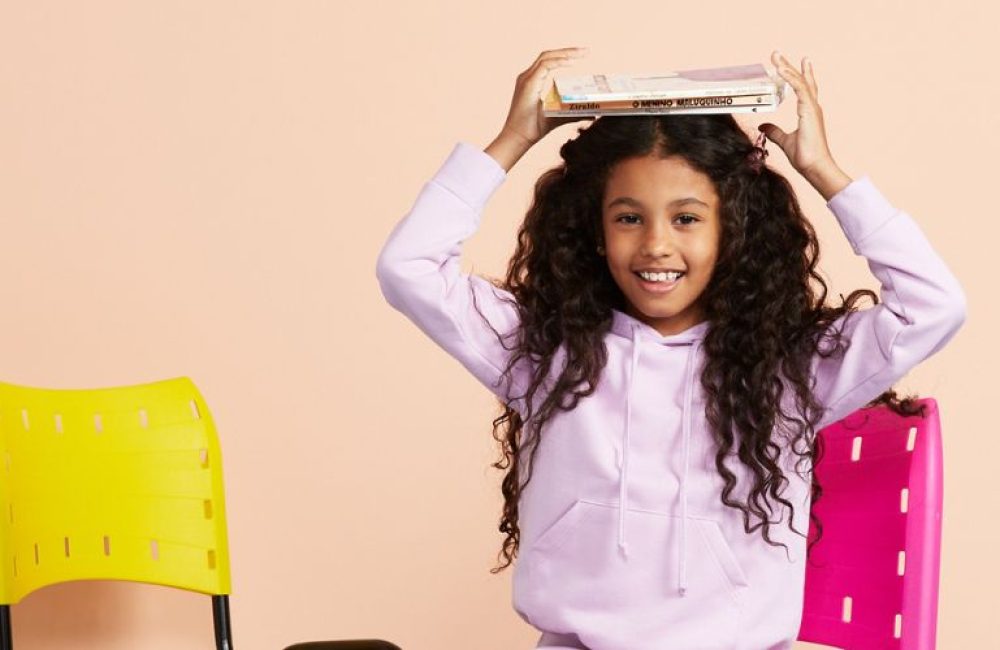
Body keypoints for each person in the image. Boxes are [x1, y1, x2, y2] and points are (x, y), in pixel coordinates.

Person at [374, 48, 967, 650]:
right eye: (628, 218)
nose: (656, 244)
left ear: (733, 229)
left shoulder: (789, 370)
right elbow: (408, 268)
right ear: (596, 233)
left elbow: (933, 306)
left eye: (686, 219)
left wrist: (823, 171)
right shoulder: (546, 354)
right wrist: (511, 140)